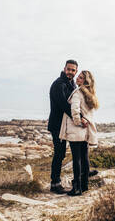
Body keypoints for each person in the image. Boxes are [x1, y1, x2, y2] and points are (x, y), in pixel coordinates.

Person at [60, 70, 99, 196]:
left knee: (77, 159)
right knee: (84, 157)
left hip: (76, 130)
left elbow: (74, 110)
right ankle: (84, 185)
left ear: (85, 81)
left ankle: (76, 188)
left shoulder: (78, 92)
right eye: (78, 76)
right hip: (85, 131)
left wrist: (78, 122)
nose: (77, 78)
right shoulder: (90, 95)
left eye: (81, 78)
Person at [47, 59, 80, 194]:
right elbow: (64, 105)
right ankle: (55, 183)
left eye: (73, 70)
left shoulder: (72, 84)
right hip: (57, 125)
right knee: (59, 154)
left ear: (76, 71)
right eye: (69, 69)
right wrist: (79, 118)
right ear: (64, 69)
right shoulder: (58, 84)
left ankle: (81, 176)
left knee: (76, 151)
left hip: (67, 125)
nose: (70, 72)